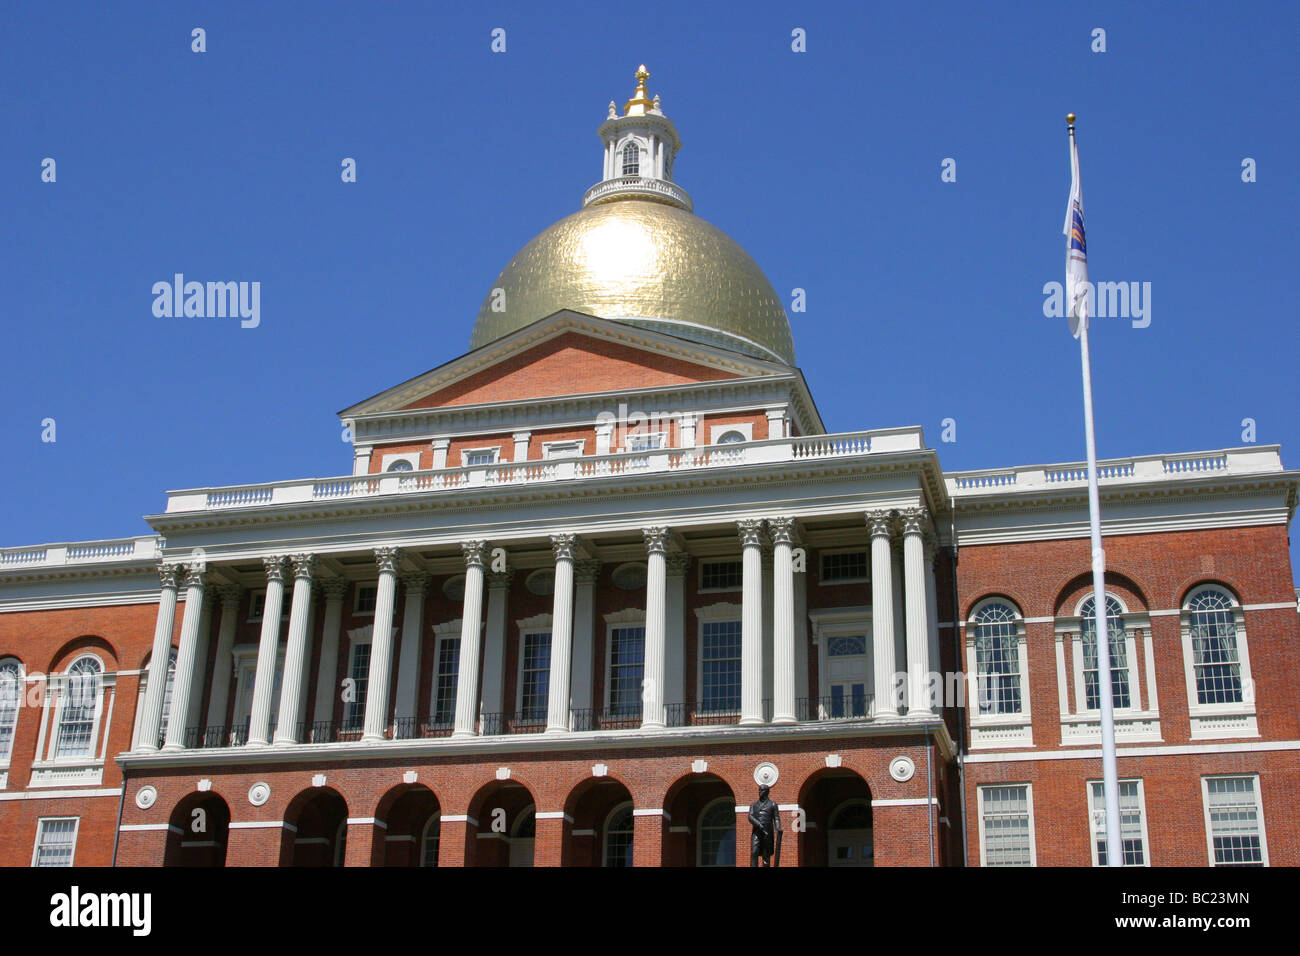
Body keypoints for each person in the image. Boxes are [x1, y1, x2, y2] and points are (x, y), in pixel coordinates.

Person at [748, 783, 783, 867]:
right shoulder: (753, 805)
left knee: (766, 855)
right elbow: (750, 816)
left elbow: (776, 818)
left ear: (767, 792)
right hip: (757, 831)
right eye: (759, 790)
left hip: (767, 832)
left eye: (762, 790)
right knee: (754, 851)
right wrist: (758, 824)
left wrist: (778, 827)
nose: (760, 791)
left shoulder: (773, 804)